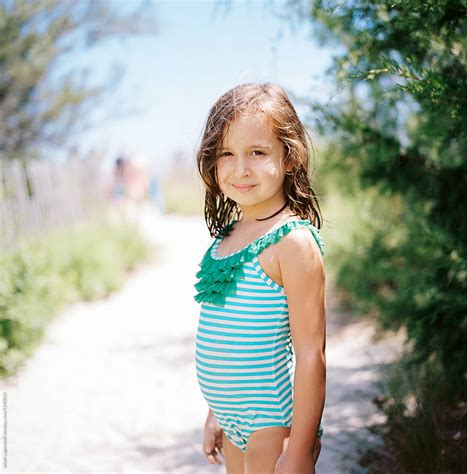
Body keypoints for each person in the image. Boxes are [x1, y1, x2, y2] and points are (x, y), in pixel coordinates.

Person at [193, 82, 326, 474]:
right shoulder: (230, 234)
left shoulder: (293, 242)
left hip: (271, 418)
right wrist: (216, 412)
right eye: (227, 154)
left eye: (257, 152)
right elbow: (229, 338)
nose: (240, 169)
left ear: (290, 156)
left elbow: (310, 356)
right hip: (233, 419)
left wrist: (299, 450)